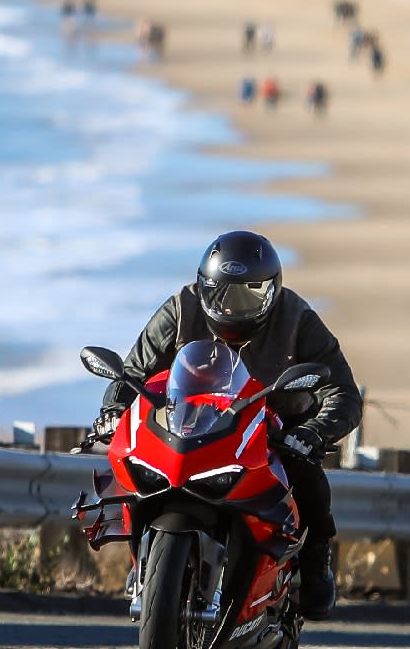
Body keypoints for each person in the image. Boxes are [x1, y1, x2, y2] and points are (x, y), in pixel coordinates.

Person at [88, 230, 362, 621]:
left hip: (272, 429)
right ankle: (143, 558)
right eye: (221, 295)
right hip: (192, 420)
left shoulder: (297, 317)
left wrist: (313, 431)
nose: (232, 308)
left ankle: (316, 561)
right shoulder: (181, 308)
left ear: (272, 290)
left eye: (248, 296)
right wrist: (115, 408)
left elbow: (344, 391)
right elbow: (133, 371)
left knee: (307, 477)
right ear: (203, 287)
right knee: (136, 460)